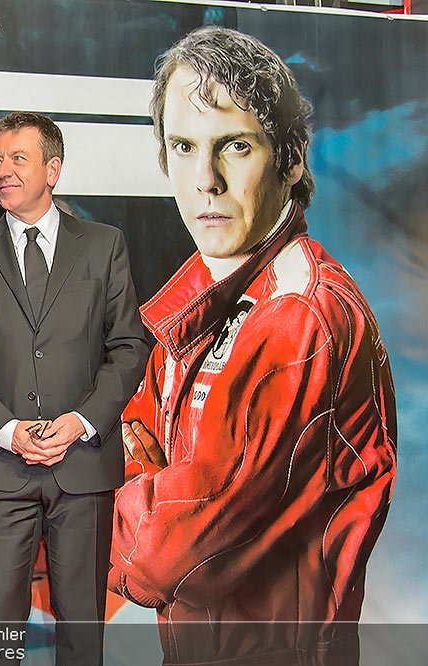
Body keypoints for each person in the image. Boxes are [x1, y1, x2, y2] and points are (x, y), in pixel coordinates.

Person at [108, 26, 397, 666]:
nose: (205, 179)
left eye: (235, 146)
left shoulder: (299, 318)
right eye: (183, 146)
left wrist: (115, 498)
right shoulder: (206, 294)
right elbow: (126, 436)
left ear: (290, 160)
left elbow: (166, 558)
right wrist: (148, 489)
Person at [0, 112, 148, 665]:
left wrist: (79, 422)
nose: (2, 171)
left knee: (82, 632)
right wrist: (7, 430)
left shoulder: (103, 245)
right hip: (1, 469)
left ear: (52, 170)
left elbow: (129, 347)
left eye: (17, 158)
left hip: (83, 468)